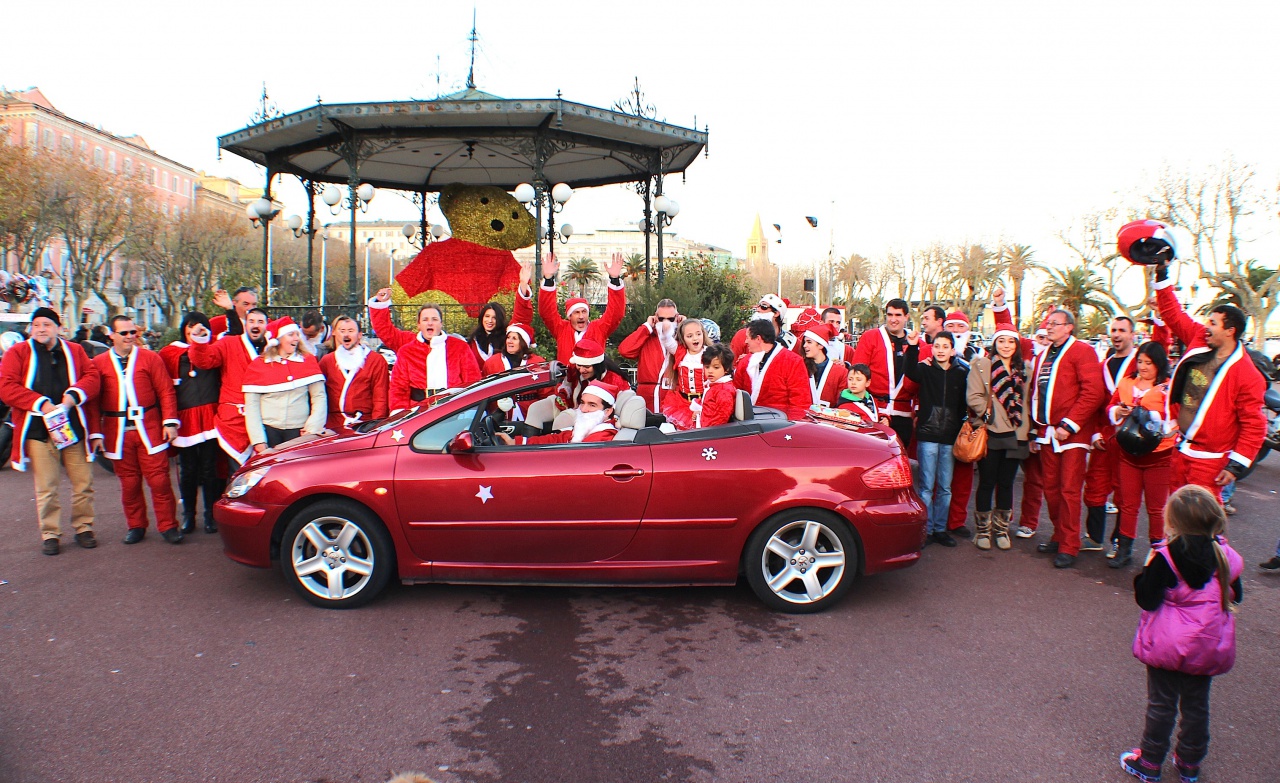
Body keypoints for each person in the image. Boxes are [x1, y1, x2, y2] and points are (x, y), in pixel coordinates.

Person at [1122, 485, 1242, 783]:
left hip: (1168, 643)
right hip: (1207, 644)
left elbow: (1147, 599)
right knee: (1196, 704)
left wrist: (1146, 571)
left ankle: (1150, 762)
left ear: (1173, 521)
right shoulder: (1226, 556)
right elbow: (1235, 596)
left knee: (1161, 704)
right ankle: (1189, 762)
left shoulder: (1165, 556)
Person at [1153, 261, 1267, 500]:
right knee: (1176, 513)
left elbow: (1254, 425)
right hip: (1181, 450)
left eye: (1213, 323)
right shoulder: (1199, 338)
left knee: (1200, 519)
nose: (1206, 327)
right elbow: (1173, 314)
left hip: (1210, 463)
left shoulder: (1248, 375)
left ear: (1230, 331)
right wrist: (1162, 274)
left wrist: (1235, 466)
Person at [0, 307, 101, 555]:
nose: (40, 329)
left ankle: (84, 527)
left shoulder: (75, 351)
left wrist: (72, 397)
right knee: (46, 486)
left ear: (58, 328)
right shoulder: (18, 352)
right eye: (36, 325)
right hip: (38, 429)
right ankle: (50, 533)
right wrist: (41, 404)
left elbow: (92, 377)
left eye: (46, 324)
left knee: (83, 482)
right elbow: (6, 387)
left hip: (72, 427)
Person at [89, 315, 181, 545]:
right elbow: (93, 402)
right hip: (117, 433)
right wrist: (96, 433)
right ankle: (136, 525)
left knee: (159, 481)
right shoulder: (98, 363)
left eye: (133, 332)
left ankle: (168, 525)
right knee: (129, 484)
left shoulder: (150, 358)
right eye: (124, 333)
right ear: (112, 335)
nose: (130, 336)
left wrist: (169, 422)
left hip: (149, 429)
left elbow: (165, 391)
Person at [1029, 309, 1106, 568]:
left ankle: (1070, 544)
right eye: (1048, 323)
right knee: (1051, 489)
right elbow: (1036, 394)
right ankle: (1059, 534)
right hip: (1047, 432)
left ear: (1069, 327)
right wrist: (1035, 429)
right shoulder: (1043, 355)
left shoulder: (1082, 351)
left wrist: (1069, 424)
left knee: (1069, 490)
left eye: (1055, 323)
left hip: (1071, 434)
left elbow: (1093, 392)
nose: (1049, 327)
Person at [1107, 341, 1175, 568]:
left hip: (1159, 456)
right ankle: (1124, 548)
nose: (1143, 367)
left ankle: (1159, 551)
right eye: (1140, 361)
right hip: (1128, 454)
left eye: (1149, 363)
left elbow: (1177, 419)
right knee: (1128, 504)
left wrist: (1158, 425)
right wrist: (1118, 411)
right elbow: (1111, 407)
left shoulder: (1169, 387)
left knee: (1156, 508)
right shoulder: (1127, 382)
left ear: (1159, 364)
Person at [967, 323, 1031, 551]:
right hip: (991, 431)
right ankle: (983, 531)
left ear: (1017, 344)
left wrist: (1030, 429)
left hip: (1016, 433)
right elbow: (973, 396)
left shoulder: (1024, 369)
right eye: (1001, 341)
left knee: (1006, 484)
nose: (1006, 346)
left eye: (1011, 341)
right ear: (994, 343)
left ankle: (1001, 530)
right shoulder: (982, 364)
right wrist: (989, 414)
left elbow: (1029, 401)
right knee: (987, 482)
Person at [158, 312, 223, 534]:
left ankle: (210, 515)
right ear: (183, 328)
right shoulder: (169, 352)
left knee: (210, 468)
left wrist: (229, 310)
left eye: (200, 325)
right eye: (190, 325)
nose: (195, 329)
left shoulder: (214, 348)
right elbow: (163, 387)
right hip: (185, 417)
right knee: (188, 470)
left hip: (210, 415)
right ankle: (188, 515)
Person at [905, 330, 970, 547]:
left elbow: (966, 402)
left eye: (945, 347)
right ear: (932, 349)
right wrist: (912, 346)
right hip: (928, 434)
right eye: (937, 346)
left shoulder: (962, 372)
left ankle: (940, 529)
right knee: (925, 486)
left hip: (950, 436)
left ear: (952, 350)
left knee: (945, 487)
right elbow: (909, 371)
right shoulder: (925, 369)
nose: (940, 350)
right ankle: (927, 529)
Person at [188, 307, 273, 464]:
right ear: (245, 324)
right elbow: (205, 360)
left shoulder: (274, 349)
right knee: (237, 473)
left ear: (266, 325)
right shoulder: (229, 343)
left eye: (260, 322)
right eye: (251, 321)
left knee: (266, 469)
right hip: (235, 420)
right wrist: (199, 340)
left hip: (268, 418)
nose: (255, 325)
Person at [1083, 316, 1139, 553]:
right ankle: (1094, 538)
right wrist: (1095, 434)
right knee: (1095, 486)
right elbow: (1095, 403)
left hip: (1132, 439)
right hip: (1105, 437)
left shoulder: (1141, 363)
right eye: (1114, 330)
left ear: (1132, 335)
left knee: (1126, 493)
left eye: (1122, 330)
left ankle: (1120, 542)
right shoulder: (1102, 366)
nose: (1117, 334)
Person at [369, 295, 482, 410]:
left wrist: (470, 410)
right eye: (425, 320)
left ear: (441, 323)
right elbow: (398, 389)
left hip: (453, 410)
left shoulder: (459, 347)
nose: (430, 323)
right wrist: (400, 413)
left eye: (434, 319)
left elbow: (472, 382)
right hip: (418, 412)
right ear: (419, 325)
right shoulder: (407, 350)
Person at [850, 298, 926, 447]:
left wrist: (918, 410)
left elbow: (922, 382)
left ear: (906, 317)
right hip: (876, 411)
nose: (893, 319)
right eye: (890, 315)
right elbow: (857, 374)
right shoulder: (870, 337)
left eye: (898, 315)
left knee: (900, 455)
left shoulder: (918, 343)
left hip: (904, 413)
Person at [242, 323, 327, 452]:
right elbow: (252, 405)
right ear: (278, 339)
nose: (296, 338)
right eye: (291, 334)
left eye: (297, 334)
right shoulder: (259, 365)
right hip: (269, 431)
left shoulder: (308, 361)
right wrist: (258, 440)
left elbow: (319, 397)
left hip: (300, 431)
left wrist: (313, 427)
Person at [534, 253, 627, 364]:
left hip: (593, 375)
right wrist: (548, 279)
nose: (581, 316)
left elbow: (616, 313)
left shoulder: (599, 329)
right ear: (569, 316)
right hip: (567, 375)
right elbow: (547, 312)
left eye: (584, 312)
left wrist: (614, 279)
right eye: (576, 312)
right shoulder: (561, 329)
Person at [317, 316, 389, 435]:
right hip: (333, 426)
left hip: (365, 424)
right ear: (334, 333)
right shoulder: (326, 361)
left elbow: (380, 397)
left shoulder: (376, 360)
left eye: (351, 331)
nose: (346, 335)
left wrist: (375, 427)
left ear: (359, 335)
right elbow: (318, 395)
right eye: (342, 331)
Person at [498, 381, 621, 445]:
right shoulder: (586, 427)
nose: (583, 409)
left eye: (592, 405)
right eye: (582, 403)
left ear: (608, 411)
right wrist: (516, 442)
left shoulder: (603, 436)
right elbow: (556, 439)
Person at [733, 319, 810, 421]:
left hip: (780, 424)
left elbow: (800, 402)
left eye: (747, 338)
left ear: (758, 339)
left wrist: (791, 425)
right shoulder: (745, 362)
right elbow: (736, 393)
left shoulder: (793, 362)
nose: (745, 341)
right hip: (748, 424)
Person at [618, 298, 682, 412]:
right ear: (655, 317)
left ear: (677, 318)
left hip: (673, 395)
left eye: (670, 319)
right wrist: (646, 327)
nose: (666, 322)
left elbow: (694, 353)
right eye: (661, 319)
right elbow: (625, 350)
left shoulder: (682, 337)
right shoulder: (646, 336)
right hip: (647, 396)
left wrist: (684, 327)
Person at [660, 319, 710, 430]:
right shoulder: (680, 352)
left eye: (698, 334)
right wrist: (666, 330)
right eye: (690, 336)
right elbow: (667, 341)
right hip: (682, 403)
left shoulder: (710, 353)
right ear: (683, 339)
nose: (695, 338)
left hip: (705, 403)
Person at [555, 339, 629, 411]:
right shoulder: (573, 370)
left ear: (597, 366)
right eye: (579, 365)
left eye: (587, 367)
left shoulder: (614, 380)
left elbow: (624, 406)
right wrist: (562, 397)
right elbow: (566, 387)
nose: (581, 370)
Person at [799, 321, 845, 408]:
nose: (804, 345)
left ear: (821, 345)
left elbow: (842, 403)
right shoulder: (800, 368)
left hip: (830, 415)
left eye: (809, 342)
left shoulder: (840, 372)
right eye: (804, 342)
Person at [695, 344, 738, 429]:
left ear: (726, 369)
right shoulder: (715, 385)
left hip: (710, 433)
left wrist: (706, 431)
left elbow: (721, 418)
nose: (710, 371)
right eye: (707, 367)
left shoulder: (723, 390)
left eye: (716, 367)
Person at [468, 302, 507, 368]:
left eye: (494, 318)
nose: (490, 321)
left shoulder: (506, 340)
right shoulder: (474, 341)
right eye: (487, 316)